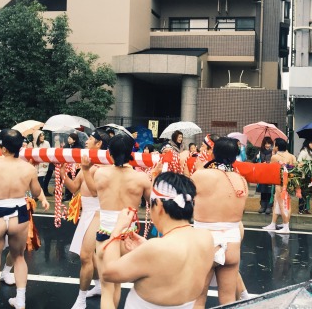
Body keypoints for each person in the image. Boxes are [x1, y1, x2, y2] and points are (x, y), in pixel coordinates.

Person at [100, 172, 215, 309]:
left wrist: (117, 229)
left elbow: (108, 272)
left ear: (159, 205)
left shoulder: (156, 248)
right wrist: (146, 247)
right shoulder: (206, 237)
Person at [0, 129, 49, 309]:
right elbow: (36, 192)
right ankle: (21, 301)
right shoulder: (28, 168)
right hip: (19, 215)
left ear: (2, 147)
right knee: (19, 258)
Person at [83, 132, 152, 309]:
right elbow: (153, 201)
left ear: (109, 153)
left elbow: (93, 193)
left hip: (105, 235)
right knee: (118, 283)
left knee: (107, 289)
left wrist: (85, 170)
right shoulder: (141, 178)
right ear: (131, 153)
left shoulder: (100, 174)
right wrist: (156, 175)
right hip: (129, 237)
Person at [191, 137, 248, 306]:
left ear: (214, 153)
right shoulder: (241, 181)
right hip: (232, 242)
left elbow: (184, 200)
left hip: (205, 241)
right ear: (234, 156)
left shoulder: (201, 175)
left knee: (198, 299)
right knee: (228, 299)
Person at [61, 129, 111, 309]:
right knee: (91, 256)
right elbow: (75, 188)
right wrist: (62, 174)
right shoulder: (87, 164)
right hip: (86, 213)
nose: (87, 140)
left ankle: (81, 299)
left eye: (90, 138)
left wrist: (85, 169)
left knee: (85, 257)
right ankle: (98, 286)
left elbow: (96, 191)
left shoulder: (103, 167)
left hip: (98, 213)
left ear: (99, 144)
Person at [263, 138, 297, 234]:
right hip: (289, 182)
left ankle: (286, 226)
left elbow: (271, 168)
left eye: (274, 145)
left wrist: (273, 154)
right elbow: (295, 167)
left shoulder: (275, 157)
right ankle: (274, 223)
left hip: (280, 182)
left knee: (281, 204)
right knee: (281, 203)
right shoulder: (291, 156)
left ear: (277, 146)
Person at [296, 139, 312, 214]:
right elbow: (299, 163)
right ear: (307, 144)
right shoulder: (304, 152)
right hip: (303, 176)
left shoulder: (310, 152)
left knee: (307, 193)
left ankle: (305, 208)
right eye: (311, 143)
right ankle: (301, 209)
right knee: (303, 192)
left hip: (308, 176)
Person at [255, 137, 274, 215]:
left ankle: (269, 207)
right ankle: (263, 206)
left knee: (270, 190)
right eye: (266, 143)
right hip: (262, 173)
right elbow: (254, 161)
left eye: (269, 143)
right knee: (263, 190)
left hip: (270, 173)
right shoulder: (260, 151)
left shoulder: (273, 152)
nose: (267, 145)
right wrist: (257, 158)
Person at [63, 133, 83, 202]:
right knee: (68, 179)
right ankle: (67, 195)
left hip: (76, 167)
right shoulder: (67, 146)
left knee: (76, 181)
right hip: (69, 166)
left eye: (70, 138)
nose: (68, 140)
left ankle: (75, 196)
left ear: (74, 140)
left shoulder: (79, 147)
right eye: (68, 138)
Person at [34, 131, 52, 196]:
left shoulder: (46, 143)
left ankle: (41, 193)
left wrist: (46, 162)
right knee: (37, 178)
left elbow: (49, 153)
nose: (42, 137)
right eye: (40, 136)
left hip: (44, 163)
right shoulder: (34, 144)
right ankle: (38, 193)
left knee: (41, 177)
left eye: (43, 135)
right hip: (36, 164)